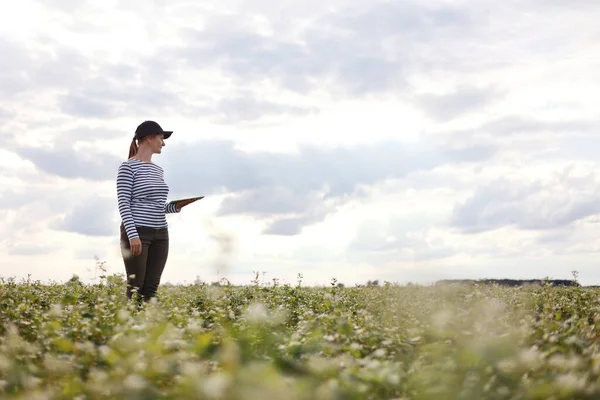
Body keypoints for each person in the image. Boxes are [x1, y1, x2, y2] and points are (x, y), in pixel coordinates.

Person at [116, 120, 198, 303]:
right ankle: (129, 328)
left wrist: (177, 206)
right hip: (138, 232)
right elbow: (123, 203)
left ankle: (145, 328)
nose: (164, 143)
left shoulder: (157, 170)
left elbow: (158, 206)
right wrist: (132, 235)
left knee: (151, 288)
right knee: (136, 287)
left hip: (161, 233)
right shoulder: (127, 167)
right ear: (149, 139)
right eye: (161, 138)